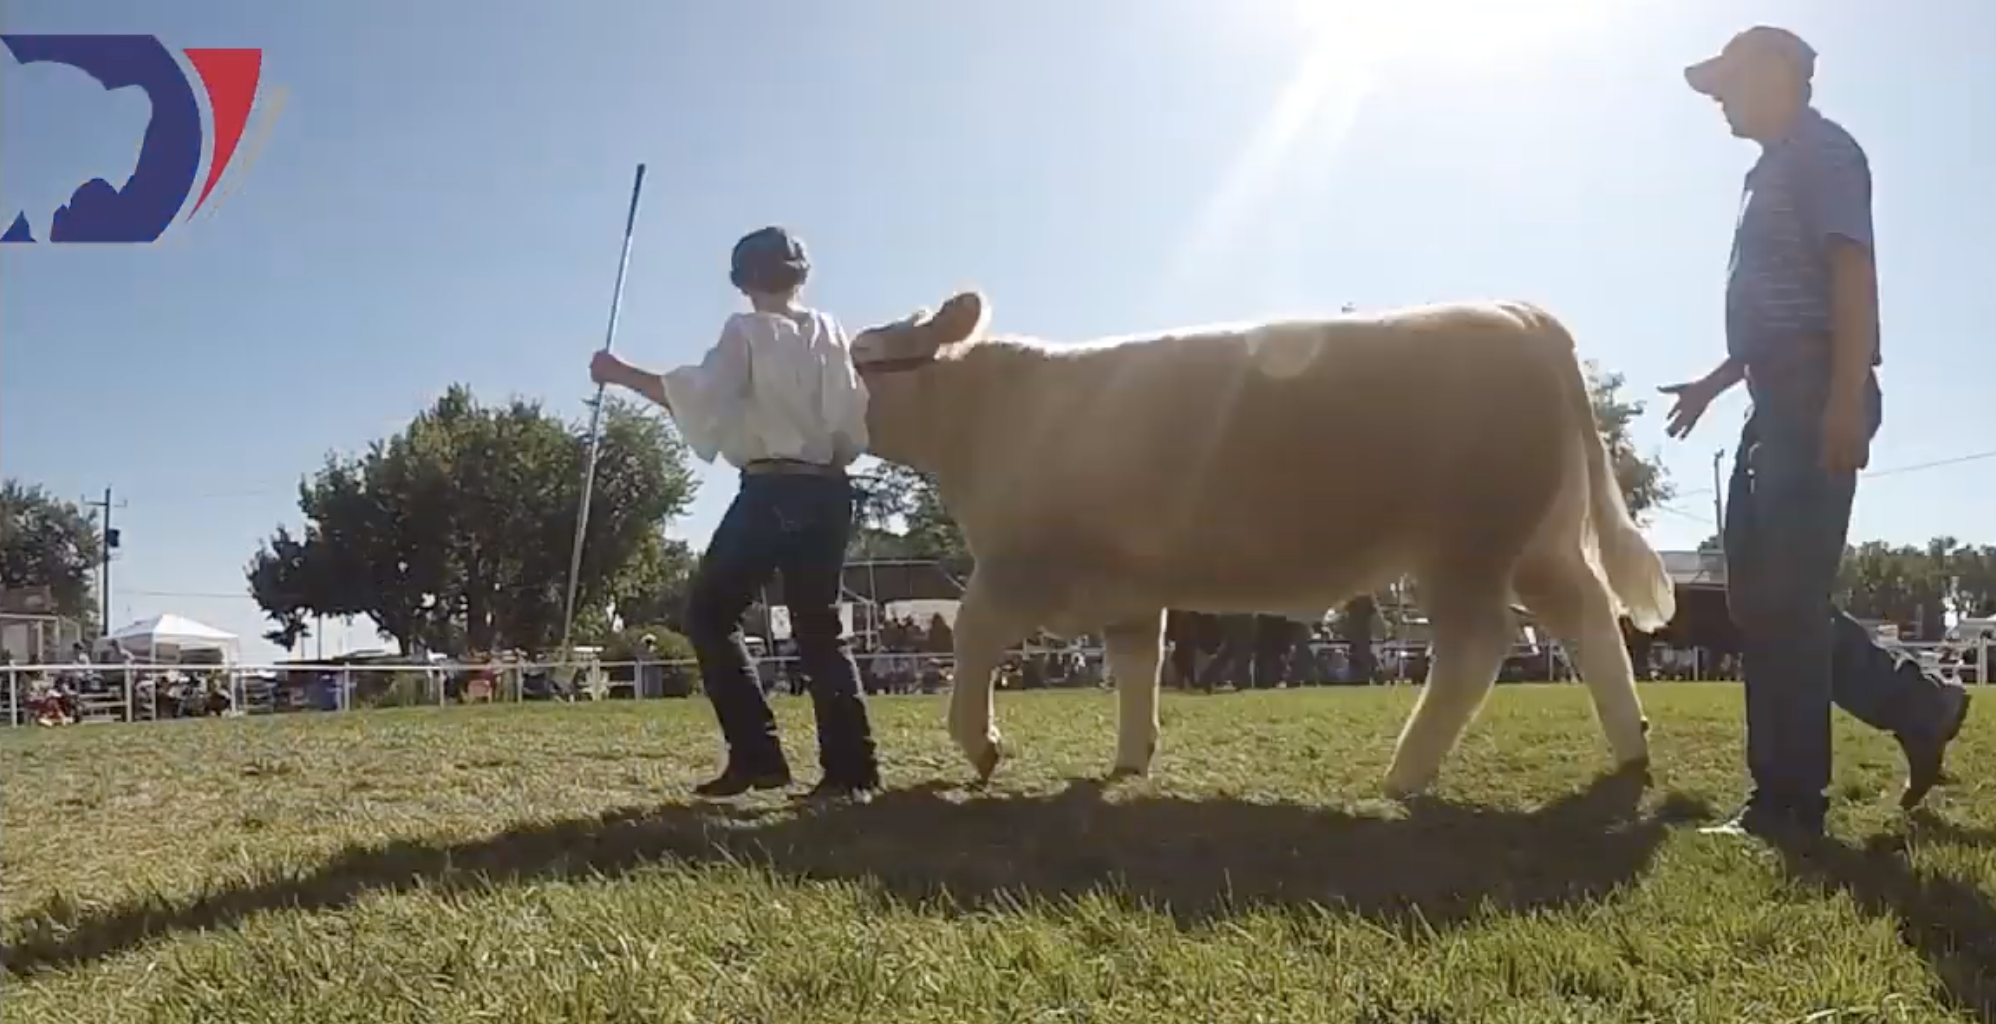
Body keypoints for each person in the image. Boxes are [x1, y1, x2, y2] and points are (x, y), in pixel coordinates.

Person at [1662, 26, 1970, 841]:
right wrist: (1716, 382)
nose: (1719, 98)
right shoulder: (1762, 174)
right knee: (1761, 601)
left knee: (1787, 604)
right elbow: (1776, 315)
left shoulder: (1825, 154)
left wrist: (1842, 397)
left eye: (1727, 80)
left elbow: (1850, 271)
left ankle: (1788, 803)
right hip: (1772, 399)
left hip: (1812, 396)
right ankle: (1920, 704)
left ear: (1777, 73)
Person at [588, 225, 881, 804]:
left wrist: (620, 374)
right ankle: (853, 774)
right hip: (830, 490)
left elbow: (702, 395)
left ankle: (758, 755)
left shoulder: (745, 330)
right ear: (801, 273)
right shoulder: (830, 331)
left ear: (743, 280)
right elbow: (853, 415)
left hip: (774, 489)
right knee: (820, 629)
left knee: (709, 614)